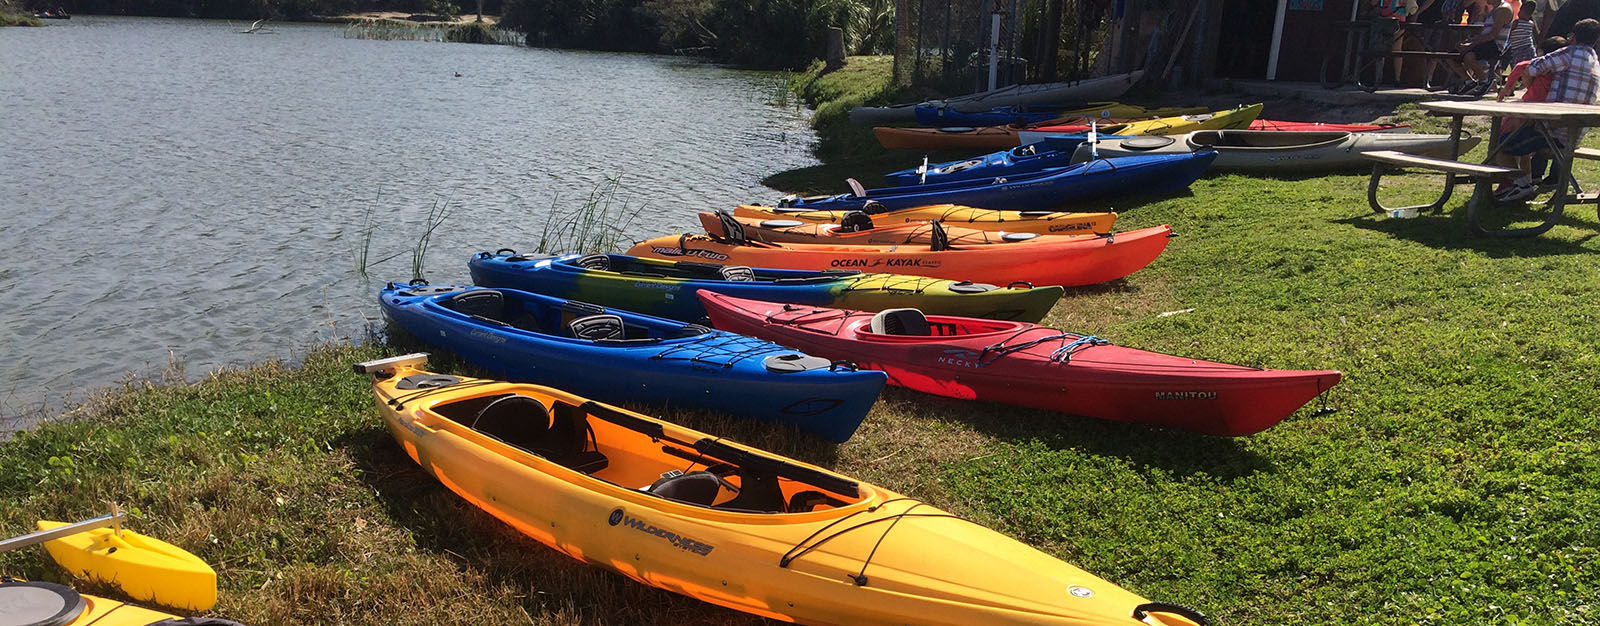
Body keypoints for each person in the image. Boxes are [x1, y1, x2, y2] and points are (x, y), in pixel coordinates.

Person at [1492, 19, 1600, 202]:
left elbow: (1532, 67)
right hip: (1574, 135)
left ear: (1572, 36)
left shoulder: (1569, 53)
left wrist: (1528, 84)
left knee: (1500, 146)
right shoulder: (1595, 62)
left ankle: (1521, 185)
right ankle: (1523, 186)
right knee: (1522, 143)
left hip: (1553, 132)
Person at [1494, 35, 1567, 194]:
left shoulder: (1542, 65)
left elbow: (1521, 65)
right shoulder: (1561, 71)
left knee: (1500, 142)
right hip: (1541, 112)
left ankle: (1519, 184)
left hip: (1528, 107)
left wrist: (1507, 89)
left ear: (1542, 52)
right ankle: (1525, 180)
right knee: (1524, 152)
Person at [1455, 0, 1517, 94]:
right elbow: (1484, 32)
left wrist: (1471, 44)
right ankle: (1469, 81)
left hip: (1494, 45)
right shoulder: (1493, 10)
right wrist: (1469, 41)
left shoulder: (1503, 9)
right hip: (1484, 42)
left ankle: (1484, 81)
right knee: (1451, 55)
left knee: (1469, 56)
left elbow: (1493, 35)